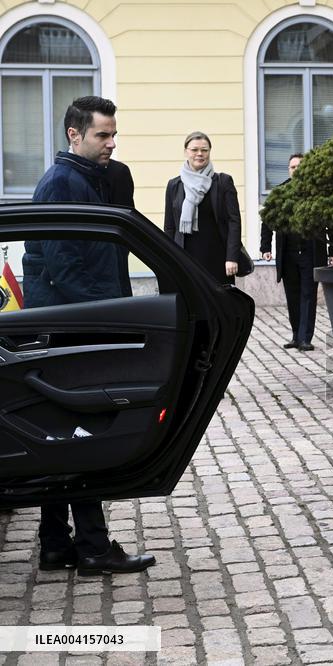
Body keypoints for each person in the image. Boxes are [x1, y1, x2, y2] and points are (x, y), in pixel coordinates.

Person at [23, 95, 155, 575]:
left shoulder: (90, 180)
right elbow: (63, 268)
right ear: (74, 134)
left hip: (70, 326)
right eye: (102, 135)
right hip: (70, 329)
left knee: (61, 440)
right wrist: (112, 315)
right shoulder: (62, 183)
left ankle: (57, 544)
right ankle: (95, 549)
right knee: (83, 439)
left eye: (113, 134)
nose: (111, 143)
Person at [261, 153, 333, 352]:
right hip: (287, 254)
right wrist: (265, 248)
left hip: (310, 254)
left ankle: (306, 338)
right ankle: (296, 336)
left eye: (300, 167)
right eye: (293, 167)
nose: (296, 170)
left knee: (308, 295)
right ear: (289, 170)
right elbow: (267, 221)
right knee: (293, 296)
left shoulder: (319, 193)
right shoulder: (280, 192)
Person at [163, 132, 242, 285]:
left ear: (209, 152)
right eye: (194, 150)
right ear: (186, 151)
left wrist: (232, 257)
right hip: (185, 257)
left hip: (218, 258)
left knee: (219, 305)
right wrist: (169, 258)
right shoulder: (174, 185)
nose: (200, 154)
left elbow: (234, 222)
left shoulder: (223, 182)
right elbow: (170, 227)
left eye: (204, 150)